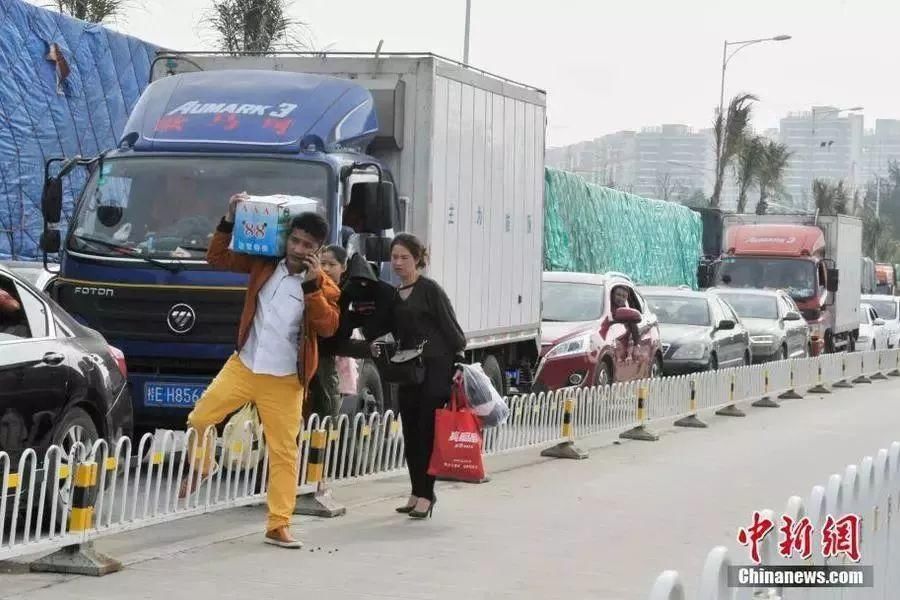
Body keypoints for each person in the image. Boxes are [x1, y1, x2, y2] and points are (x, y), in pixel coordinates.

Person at [179, 192, 340, 549]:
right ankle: (205, 466)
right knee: (200, 418)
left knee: (284, 451)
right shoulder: (264, 264)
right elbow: (216, 257)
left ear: (318, 249)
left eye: (307, 245)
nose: (298, 249)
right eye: (294, 240)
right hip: (245, 365)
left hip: (284, 379)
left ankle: (278, 524)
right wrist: (229, 216)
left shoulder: (323, 285)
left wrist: (312, 287)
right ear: (286, 237)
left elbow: (328, 326)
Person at [371, 233, 466, 520]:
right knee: (410, 434)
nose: (398, 263)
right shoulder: (394, 294)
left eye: (404, 258)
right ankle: (415, 491)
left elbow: (454, 333)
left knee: (426, 433)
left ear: (417, 260)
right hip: (407, 370)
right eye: (394, 257)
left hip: (435, 370)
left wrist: (459, 363)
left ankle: (427, 494)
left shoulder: (430, 290)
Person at [611, 286, 640, 359]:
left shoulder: (627, 312)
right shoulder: (606, 307)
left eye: (624, 297)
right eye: (618, 295)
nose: (620, 298)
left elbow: (634, 327)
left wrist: (636, 345)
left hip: (622, 348)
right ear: (612, 294)